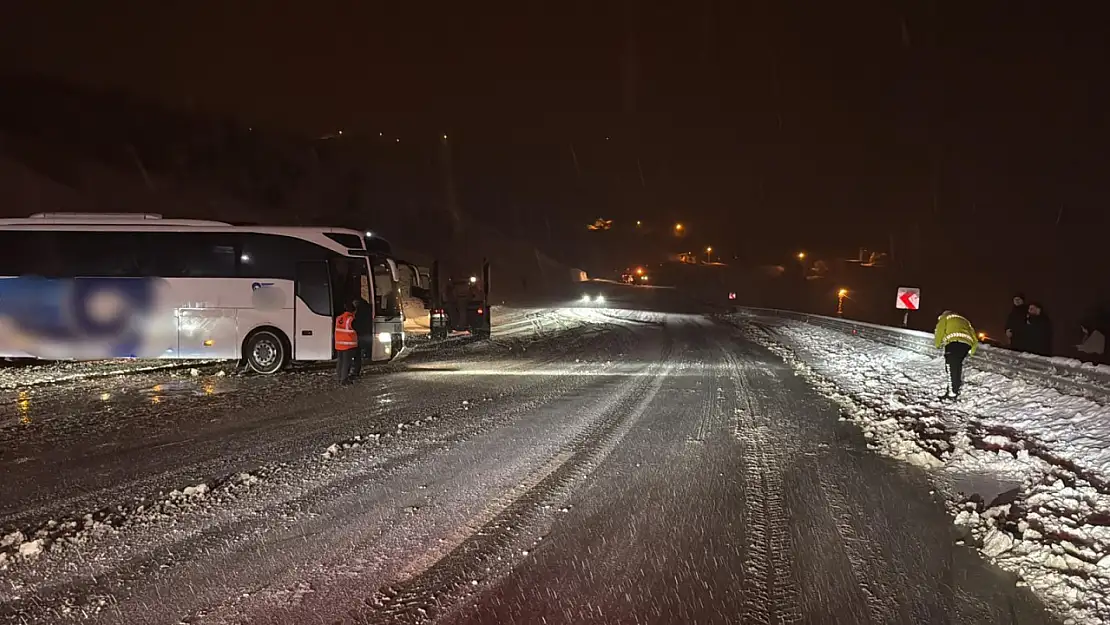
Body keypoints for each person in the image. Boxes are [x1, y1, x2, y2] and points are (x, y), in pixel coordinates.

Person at [934, 310, 979, 400]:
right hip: (966, 345)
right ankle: (955, 389)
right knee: (957, 367)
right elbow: (974, 336)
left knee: (950, 368)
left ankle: (952, 393)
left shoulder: (945, 317)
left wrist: (938, 344)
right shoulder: (965, 320)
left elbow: (940, 330)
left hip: (953, 343)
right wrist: (972, 350)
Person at [334, 301, 358, 385]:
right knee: (346, 362)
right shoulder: (351, 319)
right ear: (354, 311)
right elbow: (356, 329)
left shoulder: (339, 318)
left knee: (340, 361)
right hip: (348, 344)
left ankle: (339, 377)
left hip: (339, 344)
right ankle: (344, 380)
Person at [349, 296, 374, 378]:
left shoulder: (359, 311)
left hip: (358, 335)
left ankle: (354, 371)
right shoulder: (367, 308)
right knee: (357, 354)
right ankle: (356, 371)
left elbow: (357, 324)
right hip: (363, 334)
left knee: (355, 354)